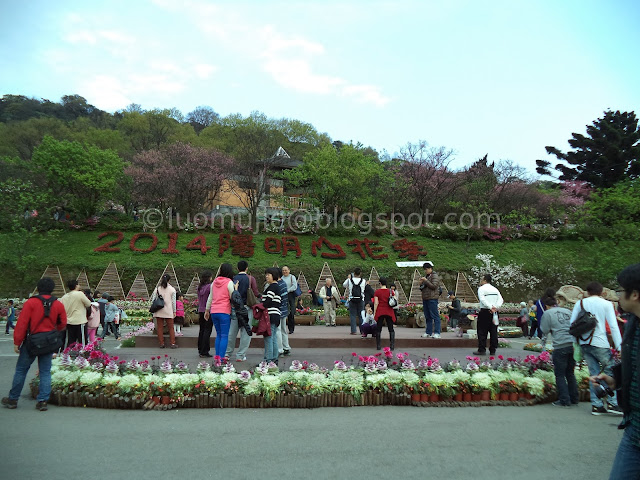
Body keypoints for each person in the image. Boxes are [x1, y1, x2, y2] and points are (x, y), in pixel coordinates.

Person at [593, 264, 640, 478]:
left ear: (635, 295)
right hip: (634, 429)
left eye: (620, 290)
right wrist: (615, 380)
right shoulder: (633, 323)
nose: (617, 295)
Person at [2, 277, 67, 411]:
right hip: (48, 342)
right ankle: (42, 401)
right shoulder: (58, 304)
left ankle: (13, 399)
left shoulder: (31, 303)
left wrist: (17, 342)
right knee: (45, 371)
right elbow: (62, 324)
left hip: (31, 342)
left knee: (21, 370)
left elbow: (22, 323)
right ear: (52, 289)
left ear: (38, 288)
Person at [570, 281, 622, 416]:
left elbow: (572, 324)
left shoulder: (580, 303)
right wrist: (619, 346)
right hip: (600, 342)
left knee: (593, 373)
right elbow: (613, 326)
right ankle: (612, 402)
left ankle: (596, 405)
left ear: (587, 292)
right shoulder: (606, 304)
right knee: (610, 371)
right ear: (601, 292)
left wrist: (574, 342)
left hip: (584, 342)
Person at [540, 296, 579, 407]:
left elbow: (545, 330)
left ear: (546, 306)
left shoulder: (547, 313)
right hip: (572, 344)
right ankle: (574, 398)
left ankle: (564, 400)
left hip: (560, 345)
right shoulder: (567, 311)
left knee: (560, 374)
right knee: (570, 373)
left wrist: (543, 346)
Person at [227, 261, 259, 362]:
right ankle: (240, 355)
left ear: (237, 268)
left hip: (235, 308)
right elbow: (255, 292)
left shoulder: (233, 279)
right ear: (247, 268)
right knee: (246, 331)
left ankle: (227, 354)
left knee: (232, 332)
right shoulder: (250, 278)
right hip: (247, 307)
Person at [205, 263, 236, 358]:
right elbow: (233, 297)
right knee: (224, 335)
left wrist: (207, 310)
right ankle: (221, 359)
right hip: (224, 312)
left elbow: (210, 297)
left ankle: (217, 357)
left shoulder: (214, 282)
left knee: (218, 335)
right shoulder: (229, 282)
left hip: (214, 311)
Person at [473, 274, 503, 356]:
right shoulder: (495, 289)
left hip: (485, 312)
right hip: (495, 312)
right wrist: (495, 307)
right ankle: (493, 350)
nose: (480, 281)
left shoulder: (481, 289)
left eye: (481, 279)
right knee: (494, 331)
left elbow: (482, 299)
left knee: (482, 331)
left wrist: (490, 307)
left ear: (485, 280)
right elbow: (501, 299)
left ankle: (482, 349)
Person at [60, 279, 91, 346]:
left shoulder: (64, 297)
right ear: (76, 286)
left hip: (69, 322)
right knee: (82, 341)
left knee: (70, 341)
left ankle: (68, 354)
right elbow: (88, 304)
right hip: (80, 321)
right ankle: (83, 354)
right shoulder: (80, 294)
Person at [151, 274, 177, 349]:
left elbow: (153, 300)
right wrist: (174, 311)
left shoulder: (157, 289)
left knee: (159, 328)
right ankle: (172, 343)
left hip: (159, 310)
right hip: (169, 311)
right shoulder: (172, 289)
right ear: (169, 280)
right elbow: (173, 302)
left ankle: (161, 343)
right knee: (171, 328)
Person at [261, 267, 281, 364]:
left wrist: (259, 305)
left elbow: (267, 301)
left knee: (269, 337)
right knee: (272, 337)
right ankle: (274, 358)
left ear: (274, 276)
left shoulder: (272, 286)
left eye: (268, 274)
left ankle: (268, 360)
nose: (266, 276)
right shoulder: (276, 286)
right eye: (266, 274)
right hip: (275, 314)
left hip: (270, 315)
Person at [420, 261, 441, 339]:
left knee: (435, 316)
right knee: (427, 316)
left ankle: (437, 333)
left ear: (430, 268)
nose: (425, 271)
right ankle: (428, 332)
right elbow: (423, 287)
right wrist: (421, 283)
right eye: (425, 269)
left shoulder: (435, 276)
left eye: (426, 269)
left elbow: (434, 286)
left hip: (432, 298)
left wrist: (425, 281)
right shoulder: (427, 276)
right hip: (426, 298)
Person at [374, 277, 396, 350]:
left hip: (380, 310)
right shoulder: (391, 291)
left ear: (380, 283)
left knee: (379, 329)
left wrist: (375, 312)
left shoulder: (377, 292)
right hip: (389, 310)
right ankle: (392, 345)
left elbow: (376, 303)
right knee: (391, 328)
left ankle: (378, 346)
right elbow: (394, 299)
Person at [343, 268, 365, 335]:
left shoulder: (350, 280)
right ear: (360, 273)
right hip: (361, 299)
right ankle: (362, 331)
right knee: (361, 315)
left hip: (352, 299)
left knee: (352, 315)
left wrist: (348, 278)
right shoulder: (363, 280)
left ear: (354, 273)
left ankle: (353, 331)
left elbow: (344, 285)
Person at [197, 271, 214, 358]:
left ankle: (200, 349)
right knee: (207, 331)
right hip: (208, 310)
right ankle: (205, 351)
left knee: (202, 330)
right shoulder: (210, 287)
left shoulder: (200, 287)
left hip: (200, 309)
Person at [276, 269, 292, 357]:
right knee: (283, 330)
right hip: (284, 309)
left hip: (278, 310)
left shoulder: (277, 285)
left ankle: (280, 350)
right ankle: (286, 348)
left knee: (278, 330)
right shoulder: (283, 283)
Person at [281, 266, 298, 334]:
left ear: (289, 270)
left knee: (291, 312)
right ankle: (283, 328)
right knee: (283, 311)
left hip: (290, 295)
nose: (284, 272)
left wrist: (288, 290)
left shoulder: (292, 277)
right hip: (283, 295)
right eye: (283, 270)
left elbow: (294, 286)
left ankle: (291, 328)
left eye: (286, 270)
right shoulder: (281, 278)